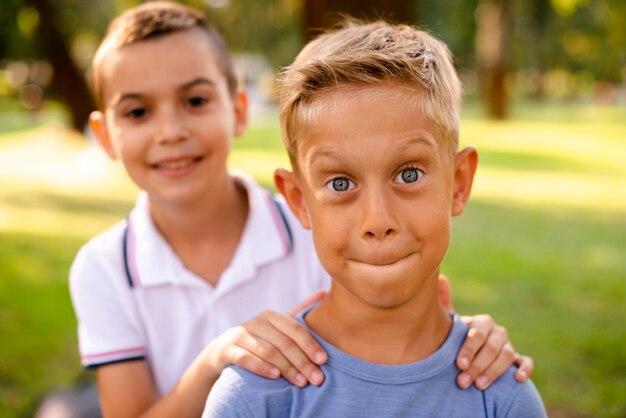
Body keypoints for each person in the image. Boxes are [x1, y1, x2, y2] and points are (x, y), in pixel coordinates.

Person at [69, 3, 533, 418]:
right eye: (137, 112)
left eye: (194, 100)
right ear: (104, 134)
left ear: (238, 110)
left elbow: (405, 311)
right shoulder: (104, 267)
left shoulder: (317, 228)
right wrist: (218, 359)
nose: (171, 131)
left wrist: (475, 338)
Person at [202, 19, 547, 417]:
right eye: (340, 183)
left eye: (409, 175)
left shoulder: (502, 396)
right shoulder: (254, 396)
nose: (377, 219)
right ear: (299, 201)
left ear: (458, 183)